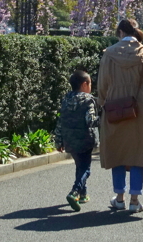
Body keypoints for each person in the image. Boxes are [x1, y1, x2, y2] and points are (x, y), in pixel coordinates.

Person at [97, 18, 143, 213]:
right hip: (141, 106)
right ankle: (135, 199)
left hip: (114, 105)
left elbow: (102, 83)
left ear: (119, 33)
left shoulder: (109, 54)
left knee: (118, 152)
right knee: (138, 152)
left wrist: (102, 102)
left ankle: (119, 197)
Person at [53, 70, 99, 211]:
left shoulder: (66, 98)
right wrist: (104, 119)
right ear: (85, 84)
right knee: (86, 169)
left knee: (79, 165)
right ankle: (74, 192)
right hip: (85, 139)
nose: (91, 86)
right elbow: (90, 121)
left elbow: (61, 121)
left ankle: (83, 194)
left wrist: (58, 140)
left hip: (69, 139)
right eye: (90, 83)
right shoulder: (88, 100)